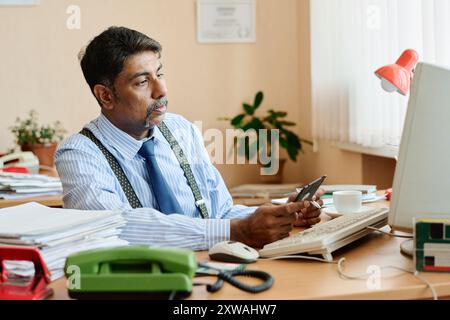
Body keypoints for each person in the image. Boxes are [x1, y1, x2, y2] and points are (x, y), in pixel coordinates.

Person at [55, 26, 323, 250]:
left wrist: (280, 217)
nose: (161, 90)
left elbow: (219, 214)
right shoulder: (79, 154)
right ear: (106, 95)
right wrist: (238, 231)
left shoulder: (181, 129)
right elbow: (117, 228)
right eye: (142, 82)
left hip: (211, 275)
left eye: (159, 74)